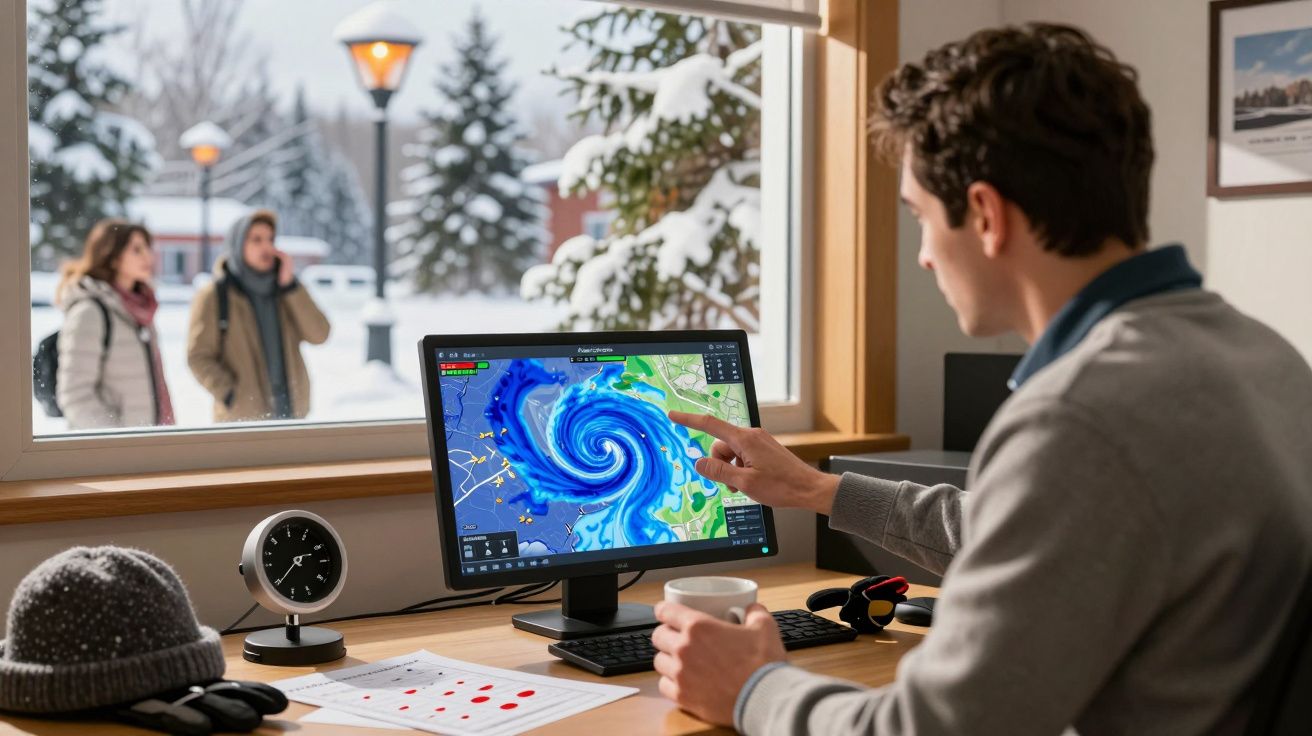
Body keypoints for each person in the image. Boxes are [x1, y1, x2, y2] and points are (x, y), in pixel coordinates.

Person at [653, 23, 1312, 736]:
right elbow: (1042, 536)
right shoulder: (1260, 356)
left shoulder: (1082, 417)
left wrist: (752, 689)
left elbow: (928, 730)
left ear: (986, 215)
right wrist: (813, 489)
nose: (926, 257)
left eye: (921, 218)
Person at [187, 209, 330, 422]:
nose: (267, 247)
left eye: (270, 239)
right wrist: (230, 395)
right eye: (256, 240)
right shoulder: (214, 295)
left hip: (291, 414)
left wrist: (290, 287)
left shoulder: (284, 290)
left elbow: (320, 335)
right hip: (241, 421)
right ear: (237, 244)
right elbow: (198, 356)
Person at [55, 220, 175, 430]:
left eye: (147, 247)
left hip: (147, 445)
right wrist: (115, 441)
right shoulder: (90, 312)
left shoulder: (143, 311)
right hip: (110, 453)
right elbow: (75, 395)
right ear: (112, 257)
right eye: (137, 249)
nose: (148, 256)